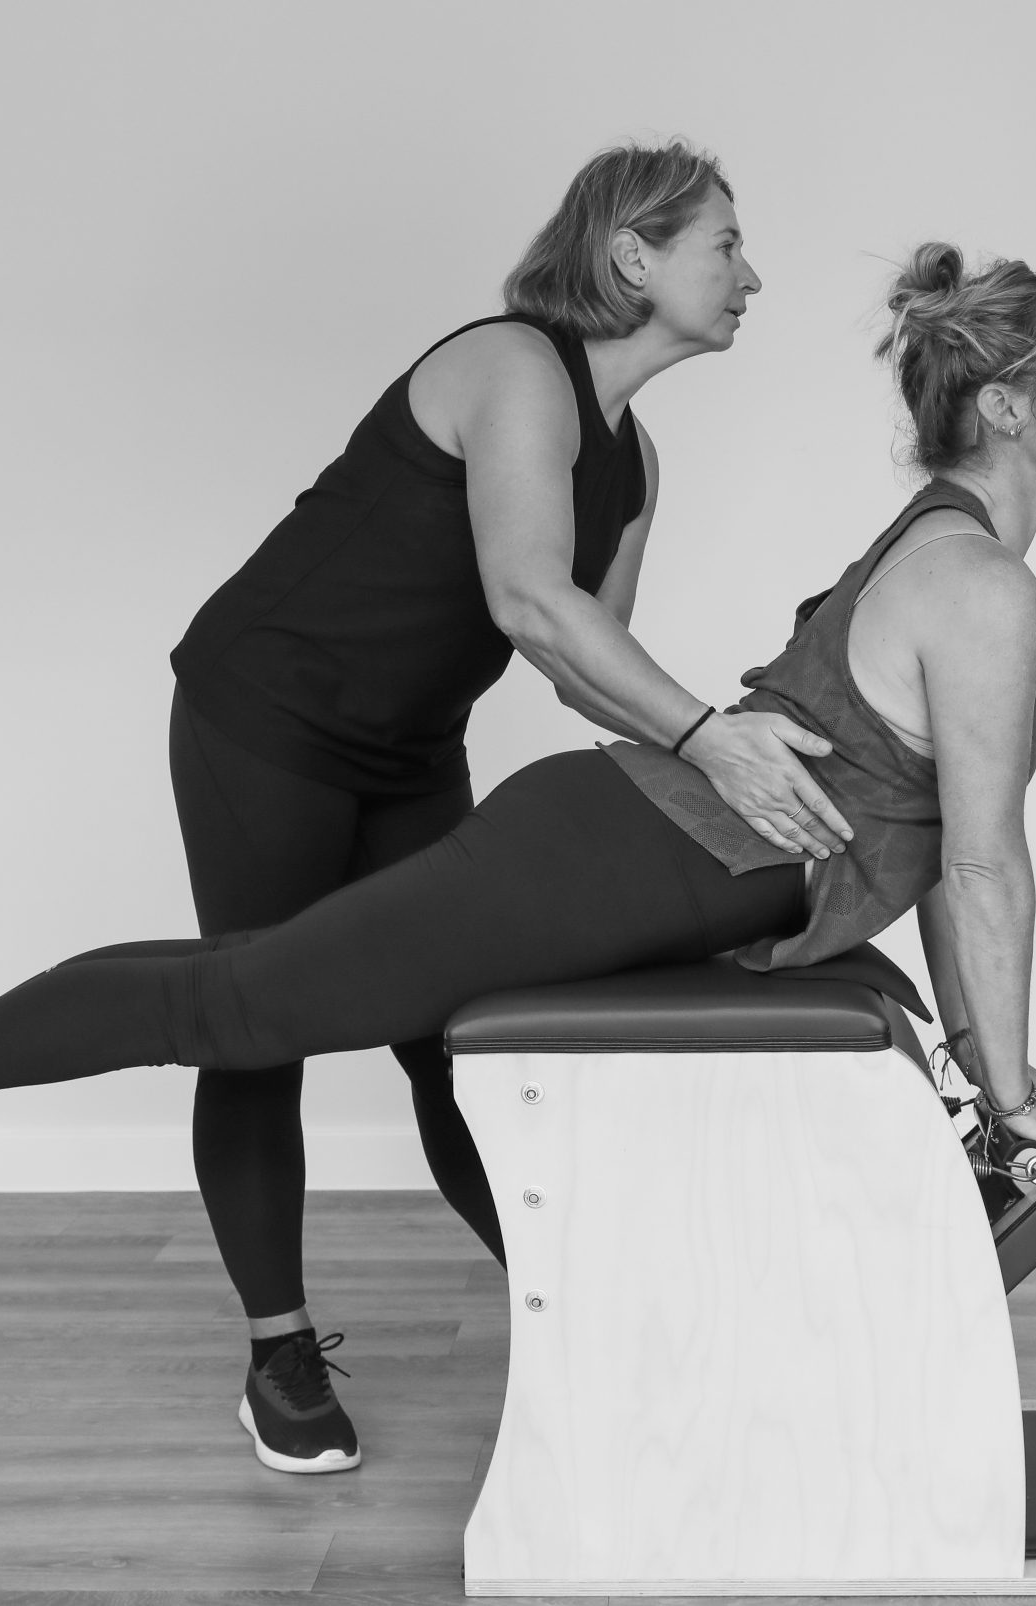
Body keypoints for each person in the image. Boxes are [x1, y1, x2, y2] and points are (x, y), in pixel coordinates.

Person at [0, 242, 1036, 1478]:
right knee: (245, 1004)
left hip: (637, 851)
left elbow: (955, 848)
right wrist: (1007, 1097)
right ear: (1007, 407)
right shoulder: (983, 585)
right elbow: (990, 866)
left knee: (299, 1007)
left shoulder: (951, 555)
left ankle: (624, 1360)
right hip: (606, 850)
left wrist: (993, 1072)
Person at [152, 140, 858, 1470]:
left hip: (410, 750)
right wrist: (713, 741)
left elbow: (585, 671)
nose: (750, 274)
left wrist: (751, 739)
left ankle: (587, 1313)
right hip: (270, 718)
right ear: (631, 253)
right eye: (725, 243)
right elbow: (528, 598)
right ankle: (278, 1351)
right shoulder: (507, 367)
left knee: (456, 1037)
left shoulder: (634, 463)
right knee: (255, 1019)